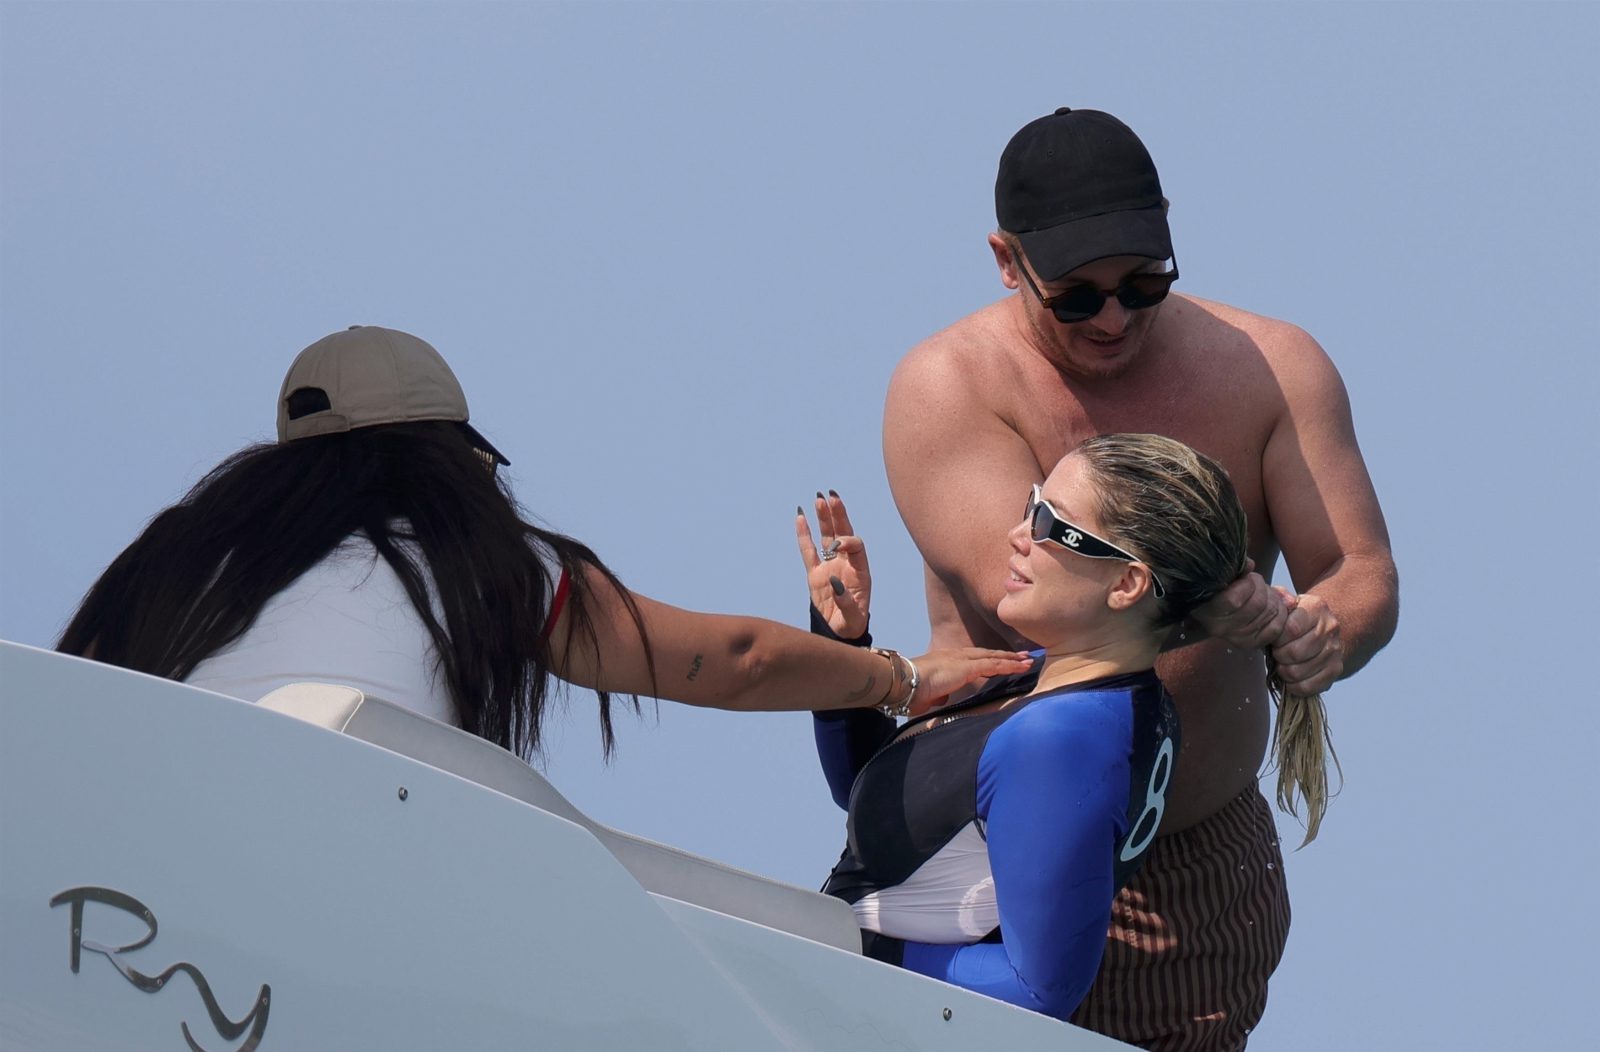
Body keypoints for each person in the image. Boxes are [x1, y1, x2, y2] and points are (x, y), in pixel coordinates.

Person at [882, 109, 1399, 1048]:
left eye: (1143, 283)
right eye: (1077, 297)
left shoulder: (1273, 369)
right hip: (989, 860)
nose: (1115, 317)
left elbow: (1358, 571)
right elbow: (1044, 604)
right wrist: (1229, 608)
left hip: (1198, 872)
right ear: (1007, 262)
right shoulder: (948, 386)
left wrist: (1321, 628)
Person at [58, 325, 1033, 759]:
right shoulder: (479, 559)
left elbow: (75, 706)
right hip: (358, 839)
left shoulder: (174, 556)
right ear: (450, 453)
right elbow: (730, 660)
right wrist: (900, 678)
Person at [798, 434, 1249, 1022]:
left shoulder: (1059, 739)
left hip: (863, 1021)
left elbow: (1039, 990)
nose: (1019, 534)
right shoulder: (1077, 687)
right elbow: (886, 806)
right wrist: (846, 644)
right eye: (1033, 504)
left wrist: (847, 951)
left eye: (1050, 524)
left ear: (1126, 585)